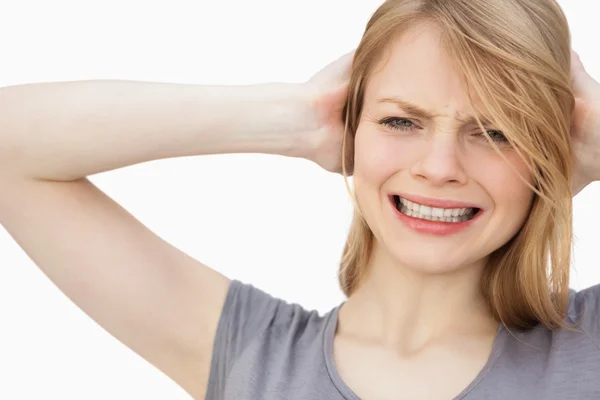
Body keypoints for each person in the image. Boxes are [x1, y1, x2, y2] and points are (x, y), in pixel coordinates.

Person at [0, 0, 599, 399]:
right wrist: (298, 119)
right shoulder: (251, 355)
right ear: (351, 131)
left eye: (495, 132)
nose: (439, 168)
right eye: (400, 122)